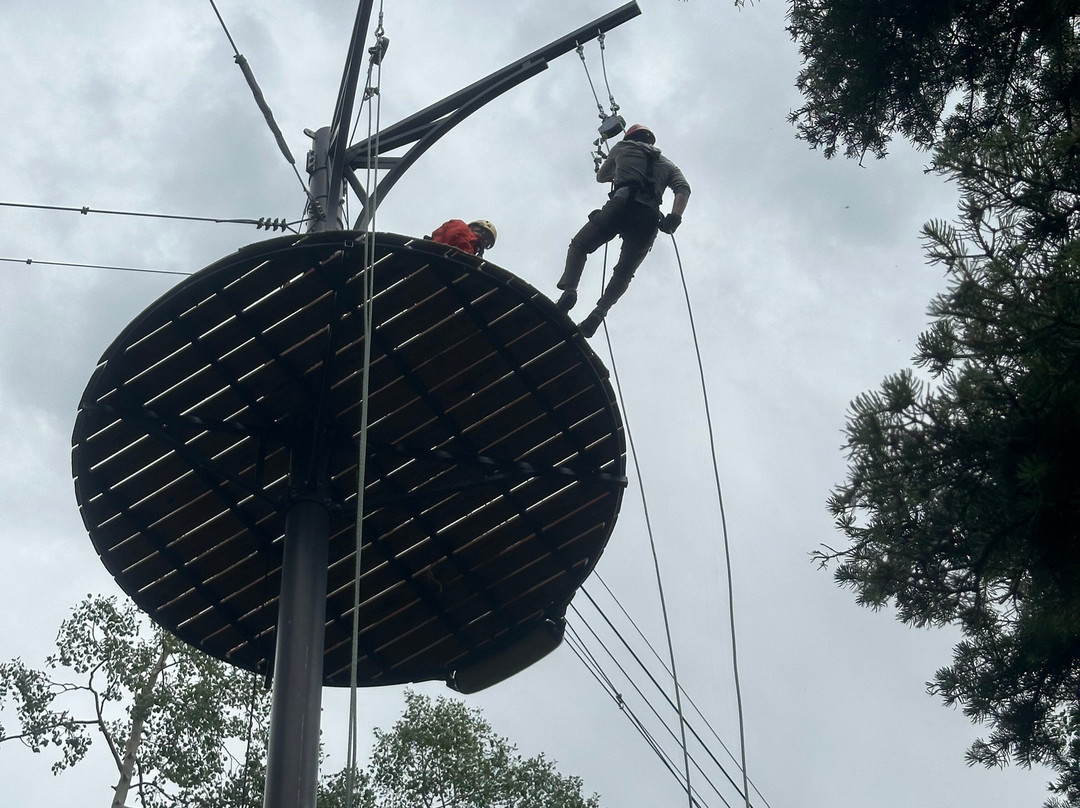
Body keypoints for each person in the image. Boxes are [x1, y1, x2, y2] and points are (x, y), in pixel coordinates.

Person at [556, 124, 690, 337]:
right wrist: (674, 217)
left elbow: (601, 176)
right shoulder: (668, 165)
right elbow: (683, 188)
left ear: (630, 136)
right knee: (624, 273)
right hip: (649, 216)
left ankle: (570, 291)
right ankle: (599, 313)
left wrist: (620, 172)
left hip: (621, 203)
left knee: (580, 244)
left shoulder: (622, 147)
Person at [430, 219, 498, 257]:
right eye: (485, 236)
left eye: (487, 242)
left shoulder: (472, 249)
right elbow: (458, 243)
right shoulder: (460, 226)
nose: (484, 241)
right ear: (474, 227)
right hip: (436, 256)